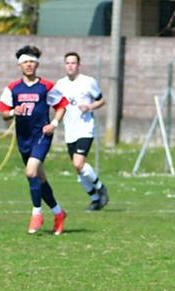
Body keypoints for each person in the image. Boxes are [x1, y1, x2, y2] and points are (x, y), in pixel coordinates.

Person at [0, 45, 68, 235]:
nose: (29, 65)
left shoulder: (47, 86)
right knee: (39, 178)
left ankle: (37, 213)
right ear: (20, 65)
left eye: (32, 61)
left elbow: (62, 106)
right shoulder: (12, 88)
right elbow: (4, 112)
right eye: (25, 62)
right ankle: (59, 213)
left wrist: (53, 123)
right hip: (24, 139)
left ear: (37, 64)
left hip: (42, 136)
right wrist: (13, 111)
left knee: (30, 172)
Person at [55, 51, 109, 211]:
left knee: (79, 163)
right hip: (69, 131)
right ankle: (95, 199)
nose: (70, 66)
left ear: (78, 65)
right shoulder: (60, 84)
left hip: (85, 129)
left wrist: (90, 106)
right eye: (67, 63)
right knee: (79, 169)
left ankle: (100, 188)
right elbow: (54, 103)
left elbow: (101, 99)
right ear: (64, 65)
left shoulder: (88, 82)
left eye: (73, 63)